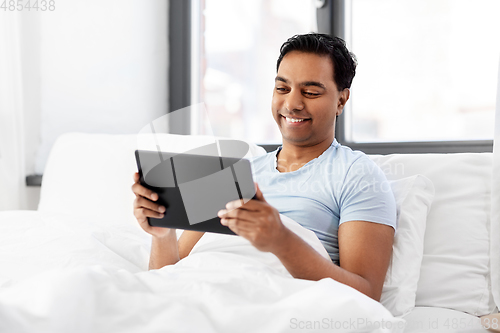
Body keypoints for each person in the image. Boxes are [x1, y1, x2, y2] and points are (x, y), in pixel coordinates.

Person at [131, 33, 396, 302]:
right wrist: (162, 232)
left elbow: (365, 296)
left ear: (341, 100)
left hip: (268, 301)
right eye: (282, 89)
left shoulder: (357, 175)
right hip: (200, 293)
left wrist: (282, 240)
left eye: (311, 92)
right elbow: (166, 278)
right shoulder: (233, 175)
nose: (292, 104)